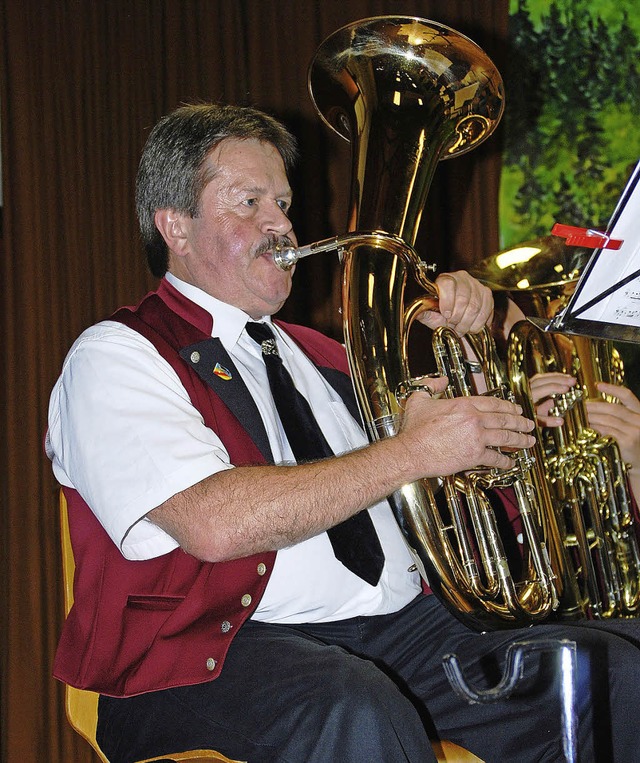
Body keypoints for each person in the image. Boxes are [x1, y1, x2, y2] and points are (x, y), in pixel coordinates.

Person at [47, 103, 640, 763]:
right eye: (250, 202)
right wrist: (412, 450)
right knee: (356, 704)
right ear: (175, 227)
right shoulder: (119, 354)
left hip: (399, 631)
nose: (282, 224)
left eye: (283, 201)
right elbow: (213, 523)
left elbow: (448, 486)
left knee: (607, 671)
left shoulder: (326, 357)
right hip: (206, 657)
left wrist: (497, 396)